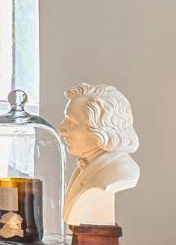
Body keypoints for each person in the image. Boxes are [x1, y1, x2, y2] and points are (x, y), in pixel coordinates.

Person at [58, 83, 140, 226]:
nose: (61, 130)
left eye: (72, 122)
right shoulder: (86, 164)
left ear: (102, 129)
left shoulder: (121, 172)